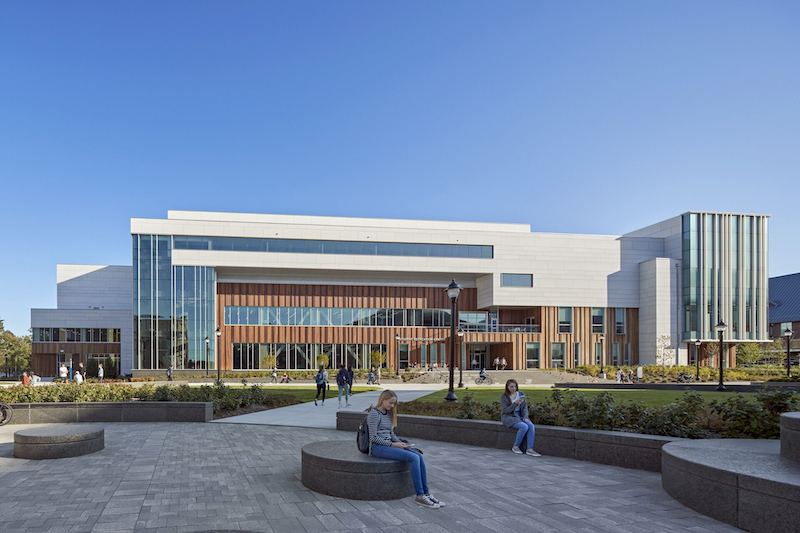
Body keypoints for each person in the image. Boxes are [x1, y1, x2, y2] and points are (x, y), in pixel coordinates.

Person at [367, 390, 444, 509]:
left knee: (419, 456)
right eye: (390, 403)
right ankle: (419, 496)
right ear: (383, 400)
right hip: (378, 448)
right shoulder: (374, 413)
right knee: (413, 458)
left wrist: (400, 443)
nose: (392, 406)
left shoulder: (387, 414)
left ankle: (426, 493)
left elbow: (390, 433)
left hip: (389, 445)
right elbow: (373, 438)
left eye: (394, 404)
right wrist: (394, 445)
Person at [500, 379, 540, 456]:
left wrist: (525, 417)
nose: (513, 388)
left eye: (515, 386)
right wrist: (515, 403)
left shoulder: (521, 394)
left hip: (520, 415)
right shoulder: (504, 397)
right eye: (511, 387)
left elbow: (524, 407)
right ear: (507, 387)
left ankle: (530, 449)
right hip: (509, 416)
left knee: (531, 426)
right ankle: (516, 446)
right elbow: (505, 411)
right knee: (524, 426)